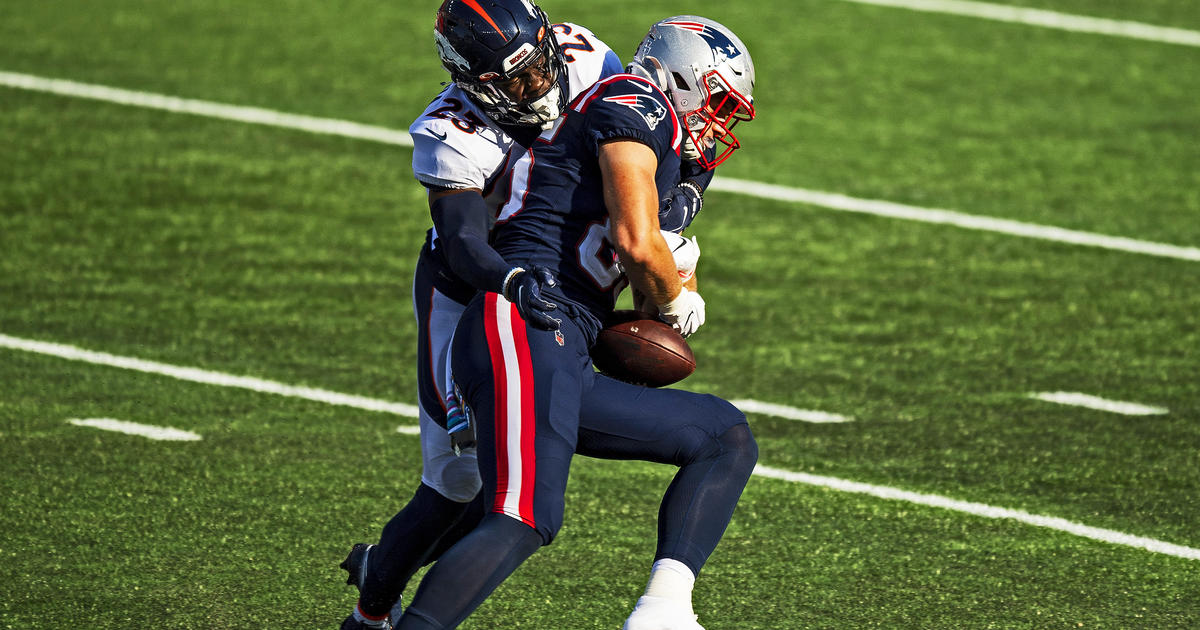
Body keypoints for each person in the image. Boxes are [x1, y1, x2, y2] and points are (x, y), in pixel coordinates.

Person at [338, 2, 711, 629]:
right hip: (469, 286)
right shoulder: (450, 130)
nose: (538, 84)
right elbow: (463, 243)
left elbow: (630, 169)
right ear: (470, 80)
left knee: (504, 485)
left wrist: (663, 240)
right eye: (515, 79)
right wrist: (511, 278)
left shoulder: (590, 59)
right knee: (456, 479)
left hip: (554, 286)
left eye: (540, 64)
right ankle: (374, 602)